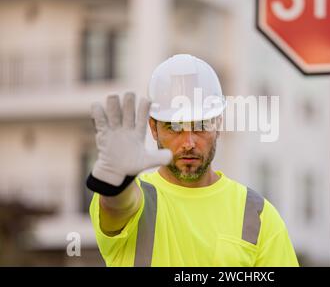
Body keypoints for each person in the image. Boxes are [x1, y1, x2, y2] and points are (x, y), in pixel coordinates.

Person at [87, 54, 299, 267]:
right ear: (154, 128)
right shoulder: (134, 195)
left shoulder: (257, 215)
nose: (188, 142)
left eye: (201, 125)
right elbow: (118, 207)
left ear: (218, 124)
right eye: (175, 127)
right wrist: (116, 181)